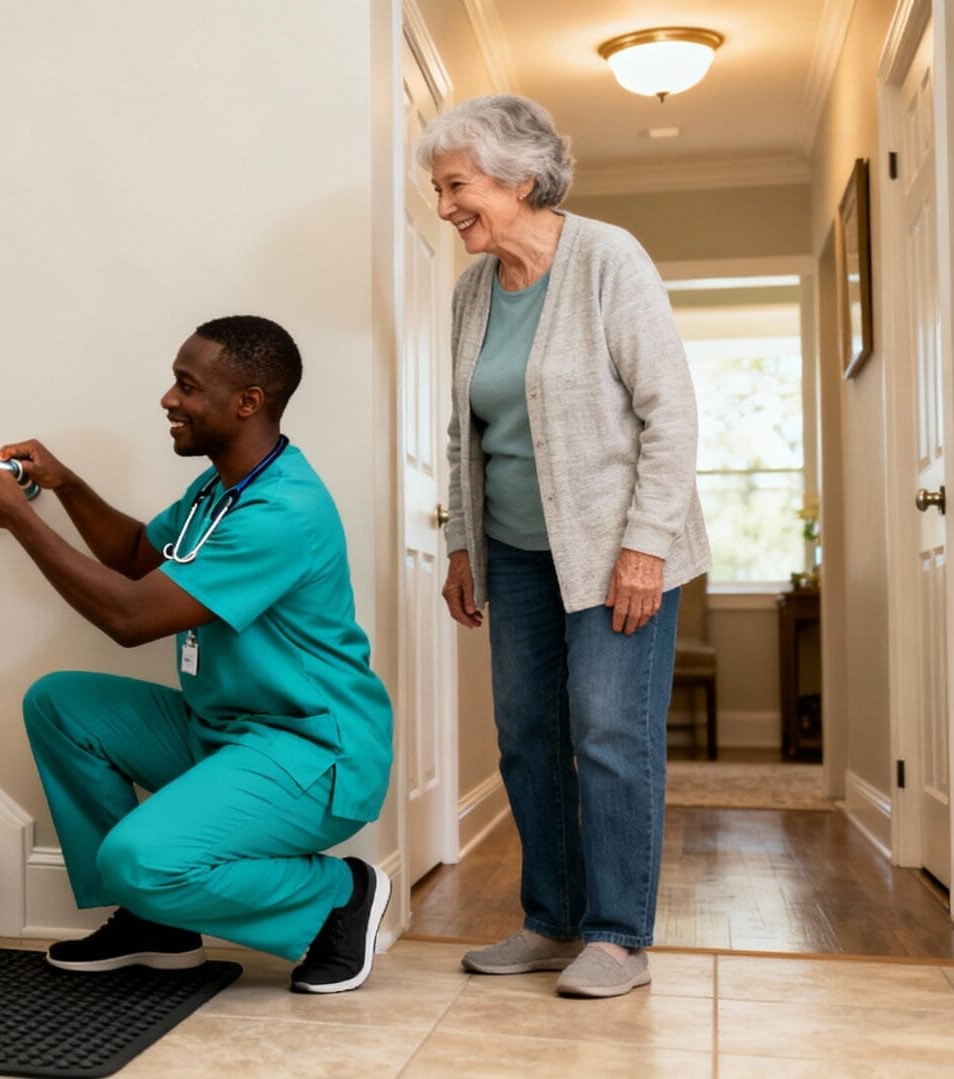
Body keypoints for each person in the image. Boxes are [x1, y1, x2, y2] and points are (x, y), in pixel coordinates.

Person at [0, 315, 395, 994]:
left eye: (187, 386)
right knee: (61, 704)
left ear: (246, 402)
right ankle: (153, 924)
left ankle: (336, 898)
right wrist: (66, 484)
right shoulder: (221, 489)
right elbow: (138, 557)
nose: (168, 399)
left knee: (140, 858)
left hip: (314, 750)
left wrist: (22, 519)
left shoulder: (281, 511)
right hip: (225, 731)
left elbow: (130, 618)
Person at [421, 94, 709, 998]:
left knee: (611, 731)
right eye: (438, 189)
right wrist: (463, 543)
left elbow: (672, 413)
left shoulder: (605, 259)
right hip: (513, 549)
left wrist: (647, 547)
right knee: (527, 736)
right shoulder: (473, 290)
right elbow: (465, 431)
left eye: (456, 186)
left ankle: (619, 935)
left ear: (521, 176)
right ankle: (550, 921)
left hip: (619, 549)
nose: (444, 207)